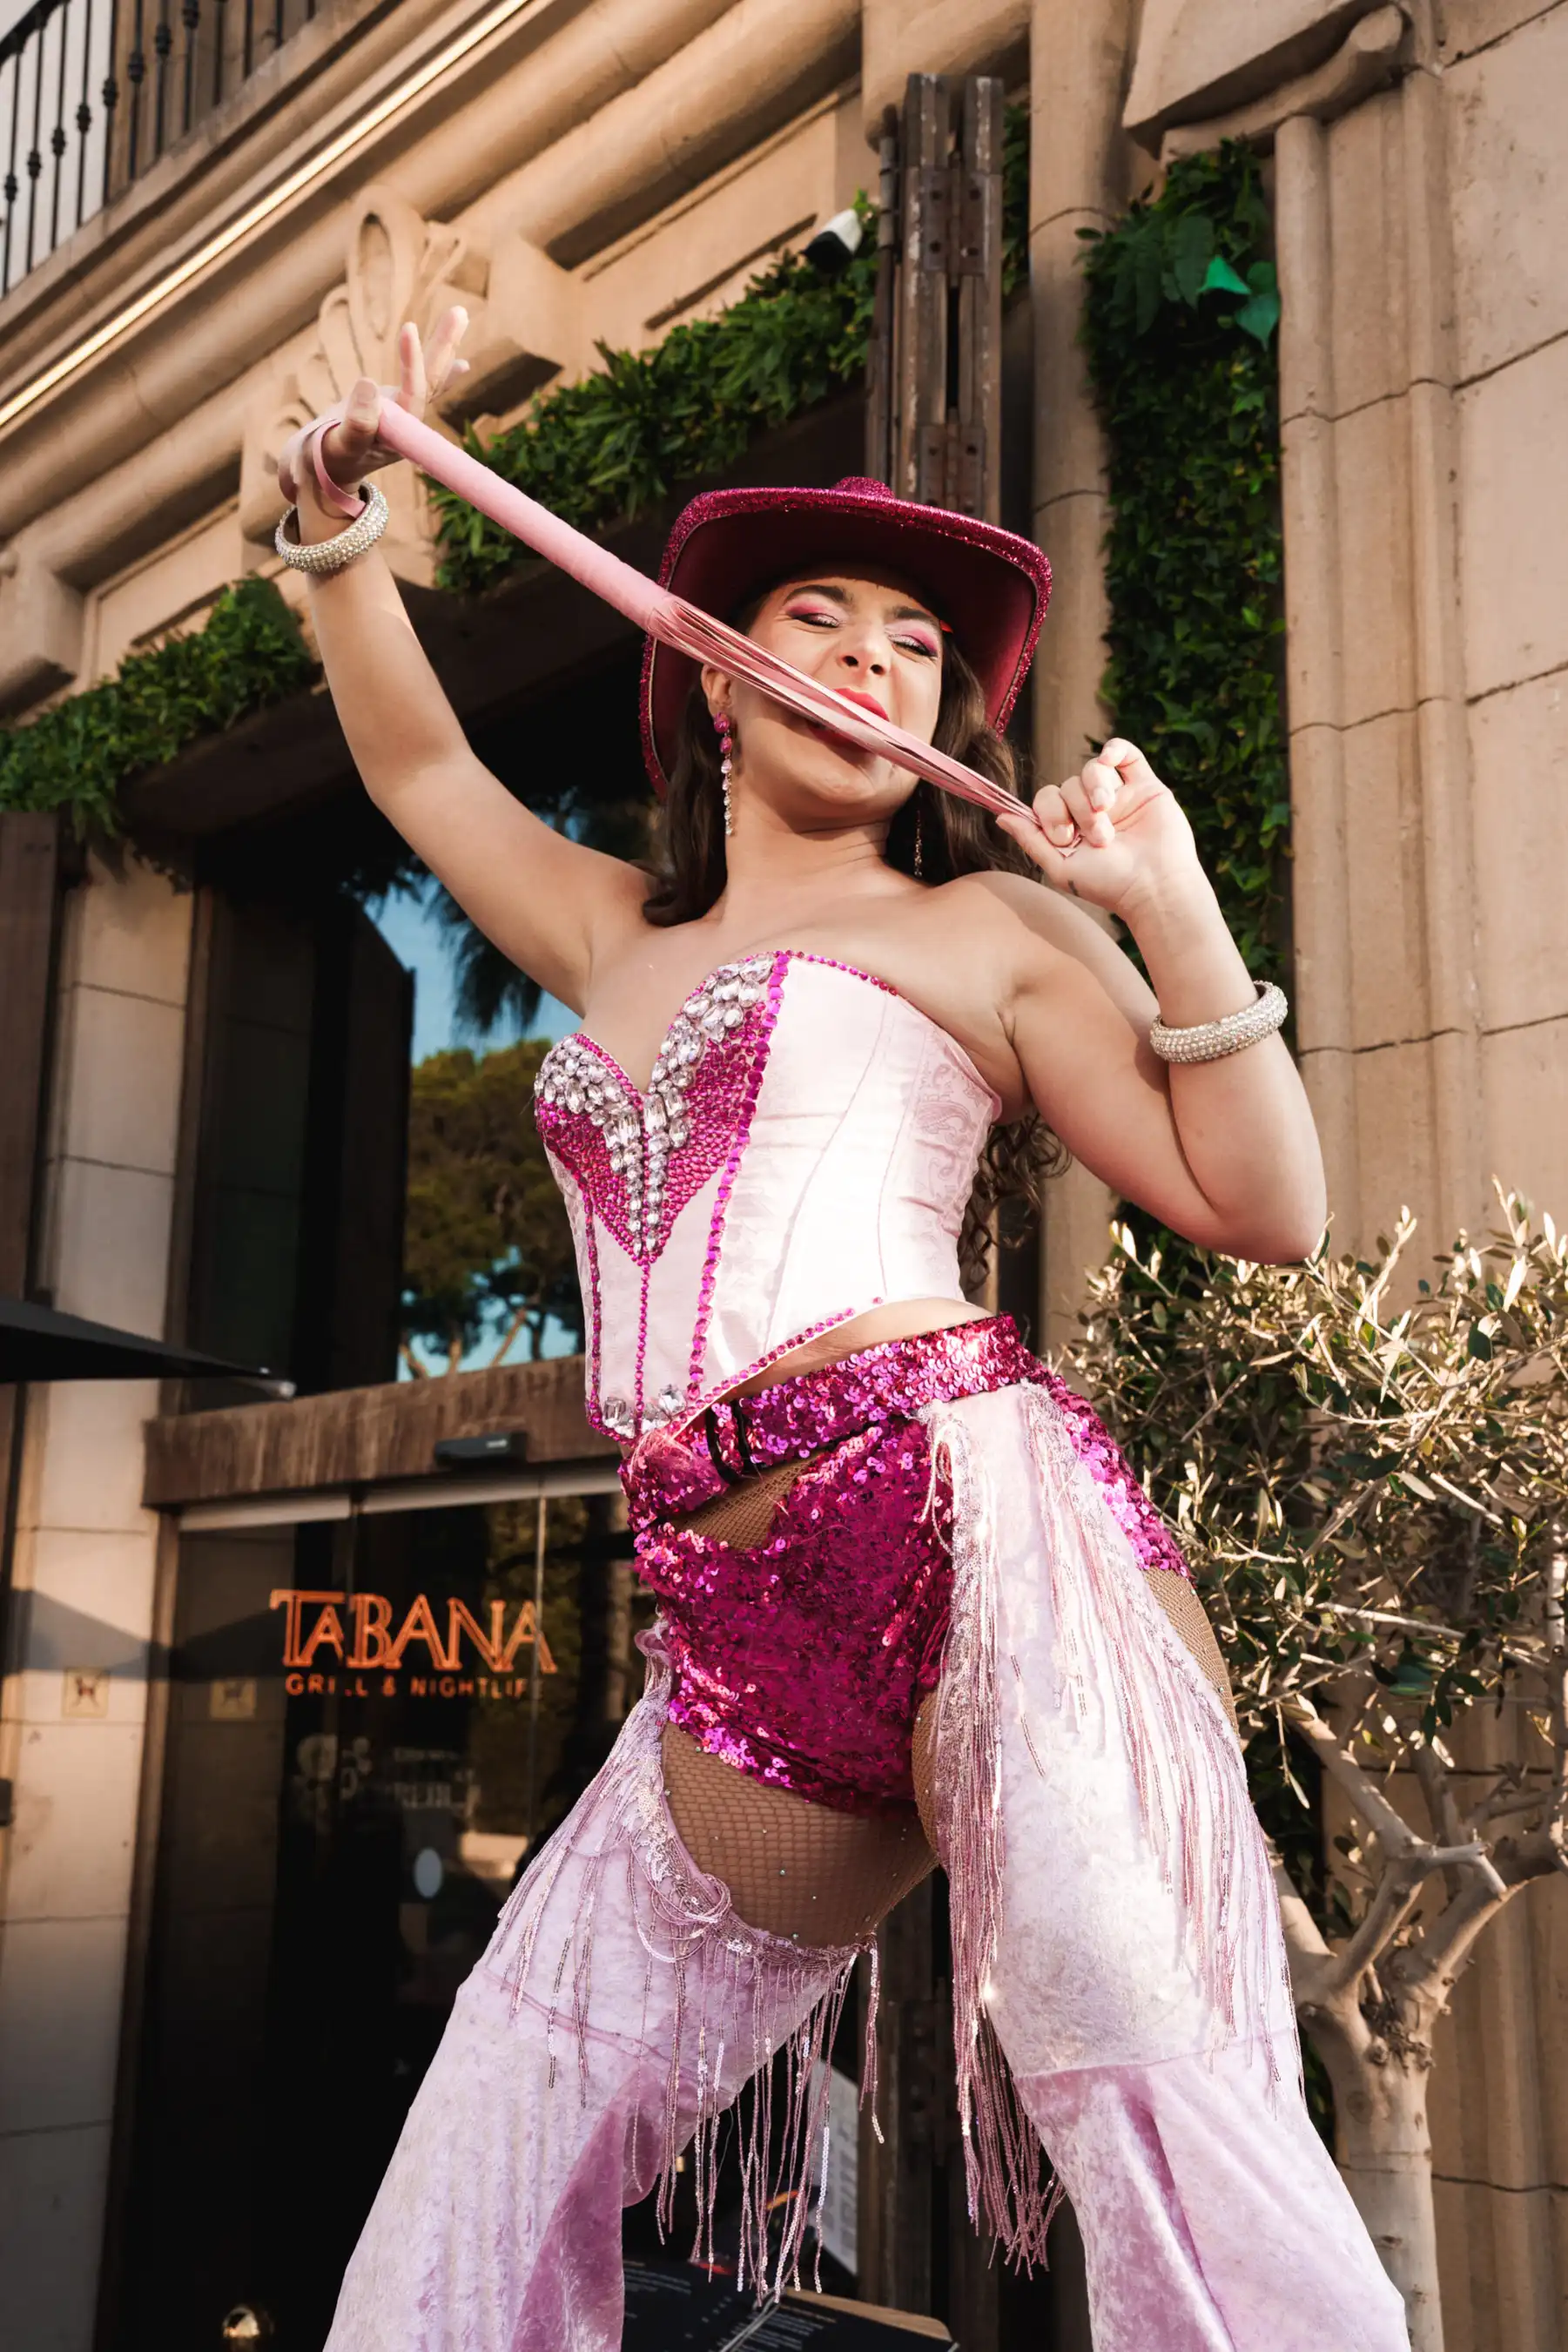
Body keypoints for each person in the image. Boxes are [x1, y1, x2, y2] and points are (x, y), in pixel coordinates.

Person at [278, 313, 1410, 2352]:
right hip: (723, 1620)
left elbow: (1269, 1208)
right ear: (712, 674)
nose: (877, 659)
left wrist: (1167, 903)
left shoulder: (990, 932)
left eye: (918, 647)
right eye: (826, 616)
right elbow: (418, 762)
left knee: (1147, 2082)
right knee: (503, 2118)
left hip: (980, 1534)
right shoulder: (608, 927)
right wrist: (343, 536)